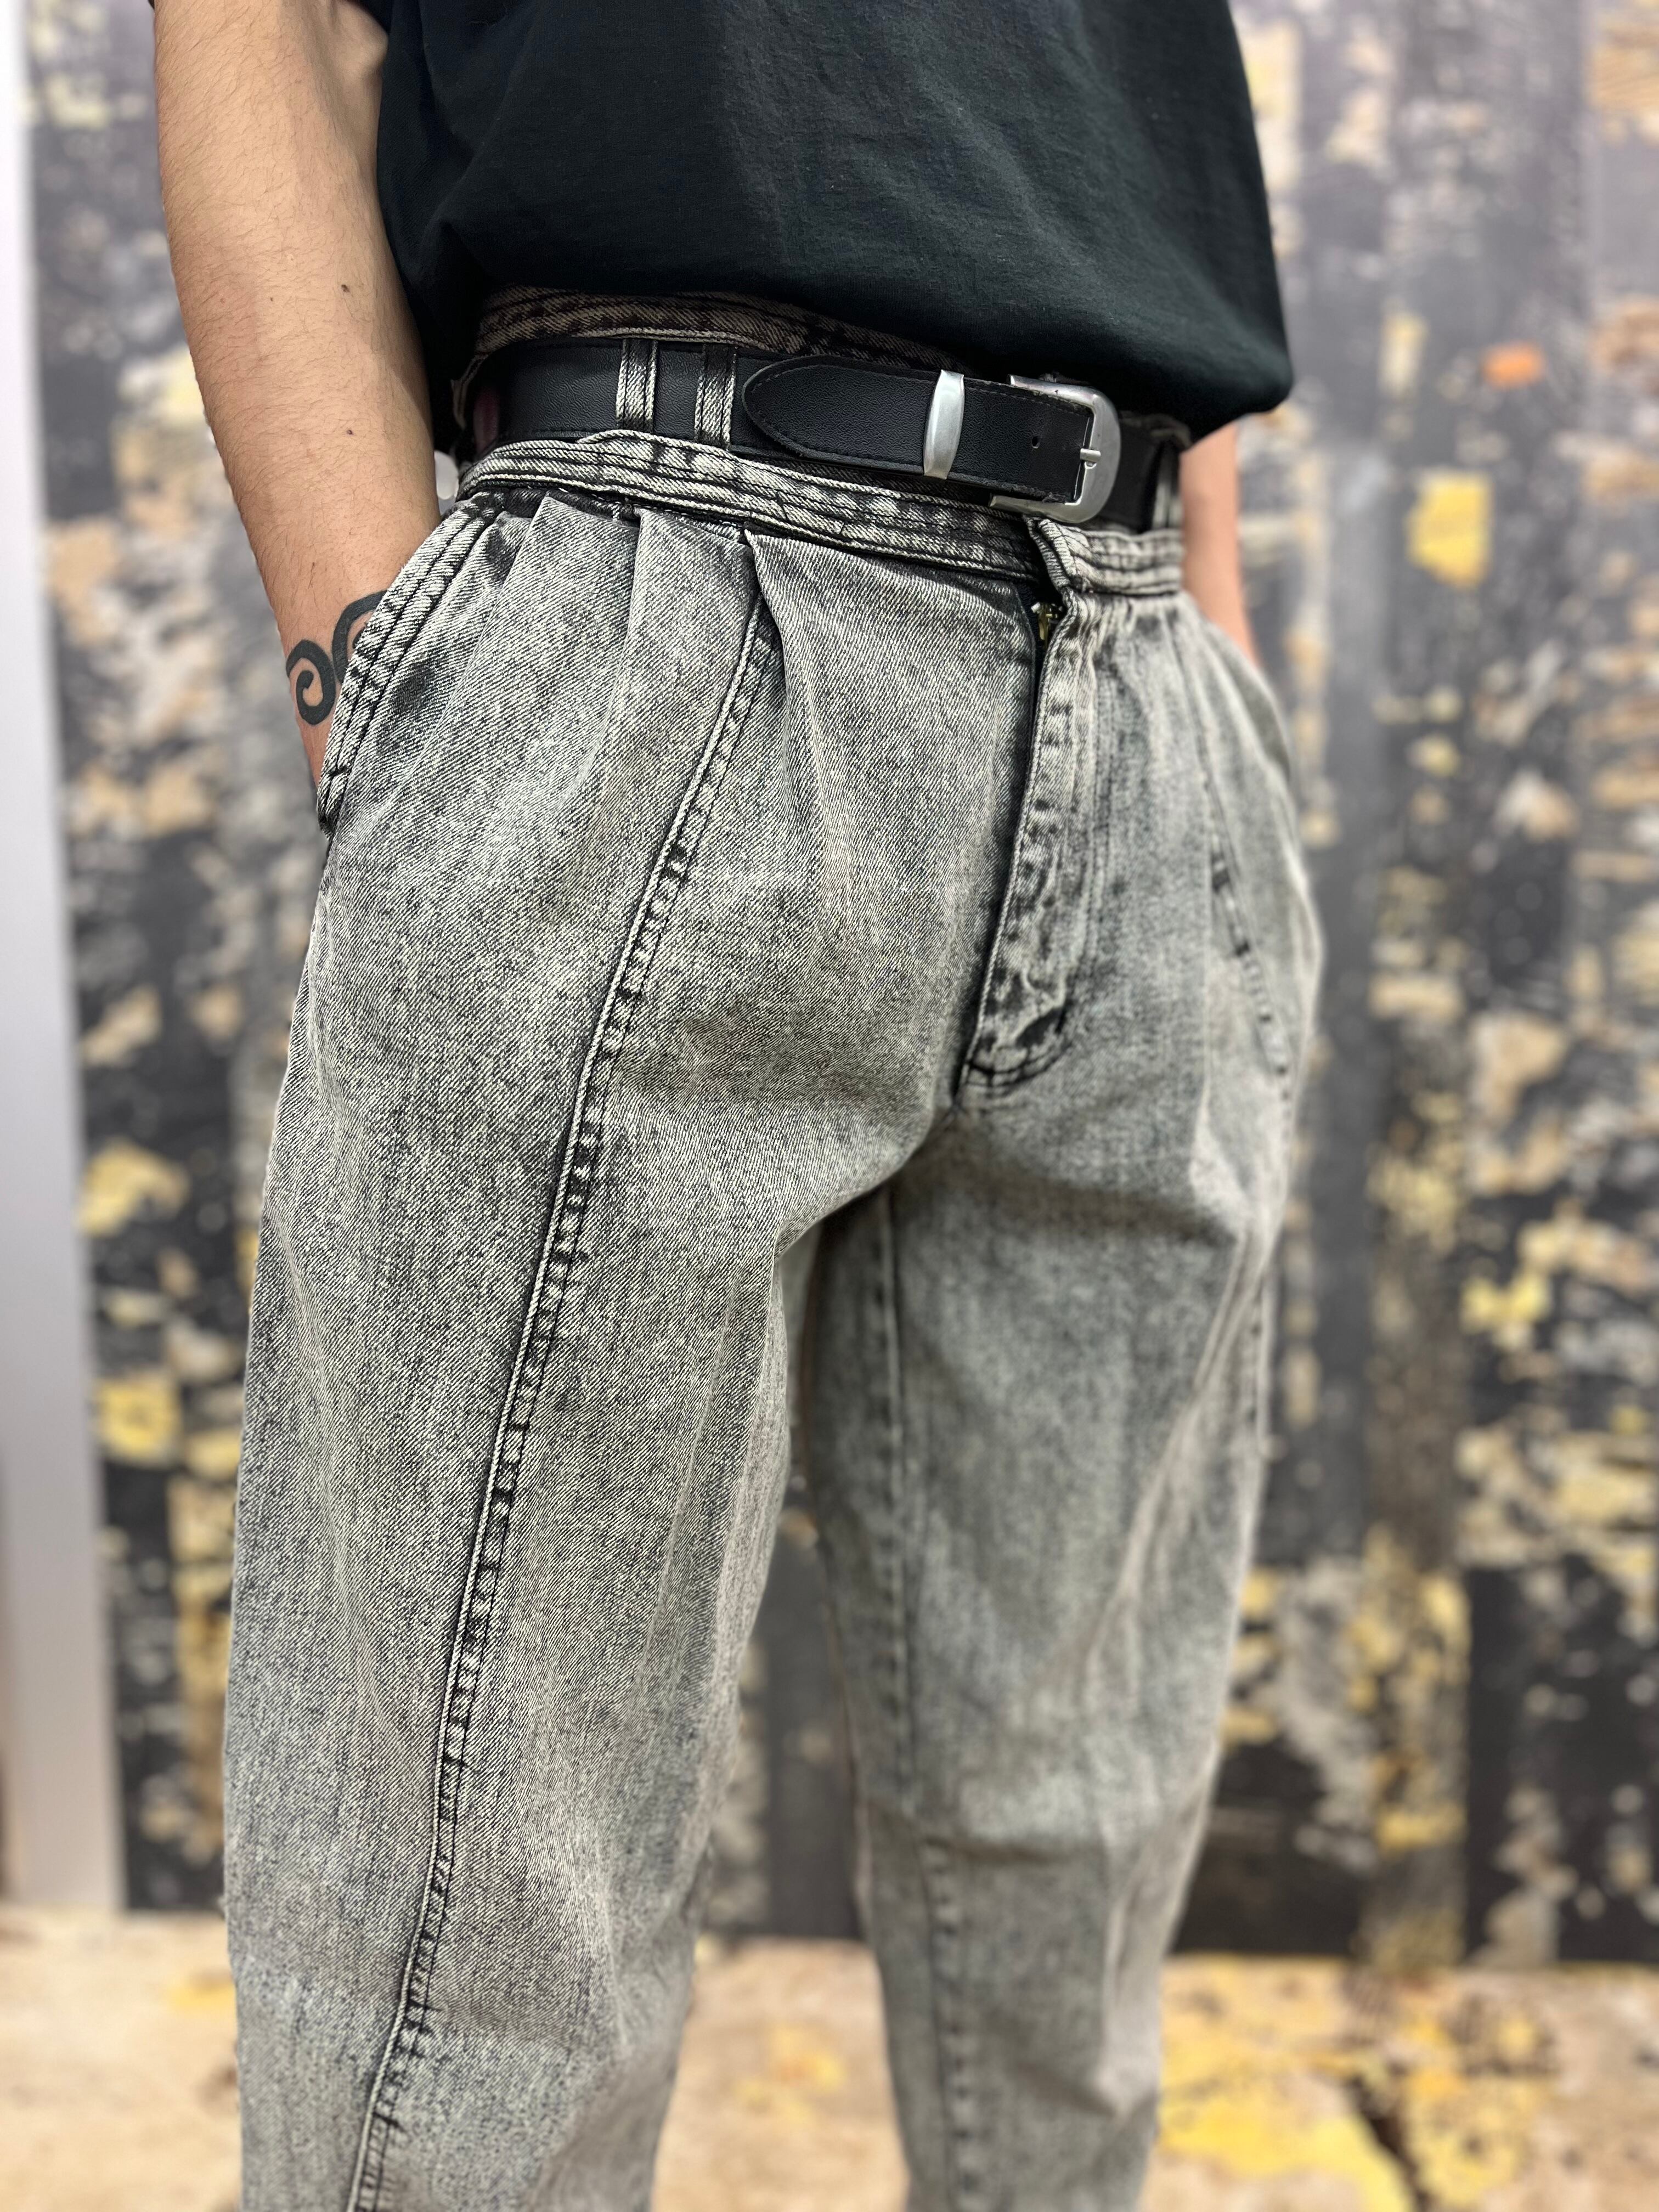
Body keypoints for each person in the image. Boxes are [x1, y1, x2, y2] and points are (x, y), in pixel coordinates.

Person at [154, 3, 1321, 2205]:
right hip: (660, 609)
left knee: (1075, 1857)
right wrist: (385, 690)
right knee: (477, 1945)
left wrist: (1217, 662)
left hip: (1143, 673)